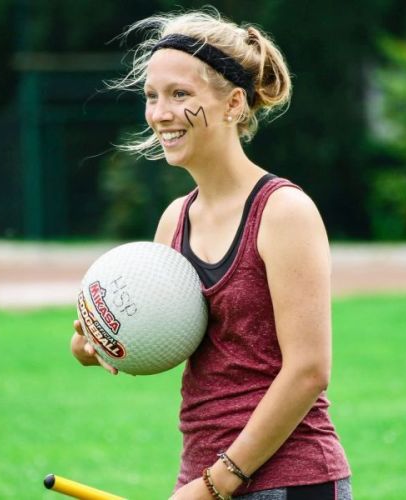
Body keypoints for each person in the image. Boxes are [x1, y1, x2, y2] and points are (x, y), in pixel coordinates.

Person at [71, 7, 352, 500]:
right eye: (152, 97)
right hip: (203, 475)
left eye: (181, 95)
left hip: (289, 480)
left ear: (234, 104)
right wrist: (103, 343)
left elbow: (309, 369)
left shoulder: (284, 211)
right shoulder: (174, 220)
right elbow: (170, 339)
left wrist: (218, 482)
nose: (160, 113)